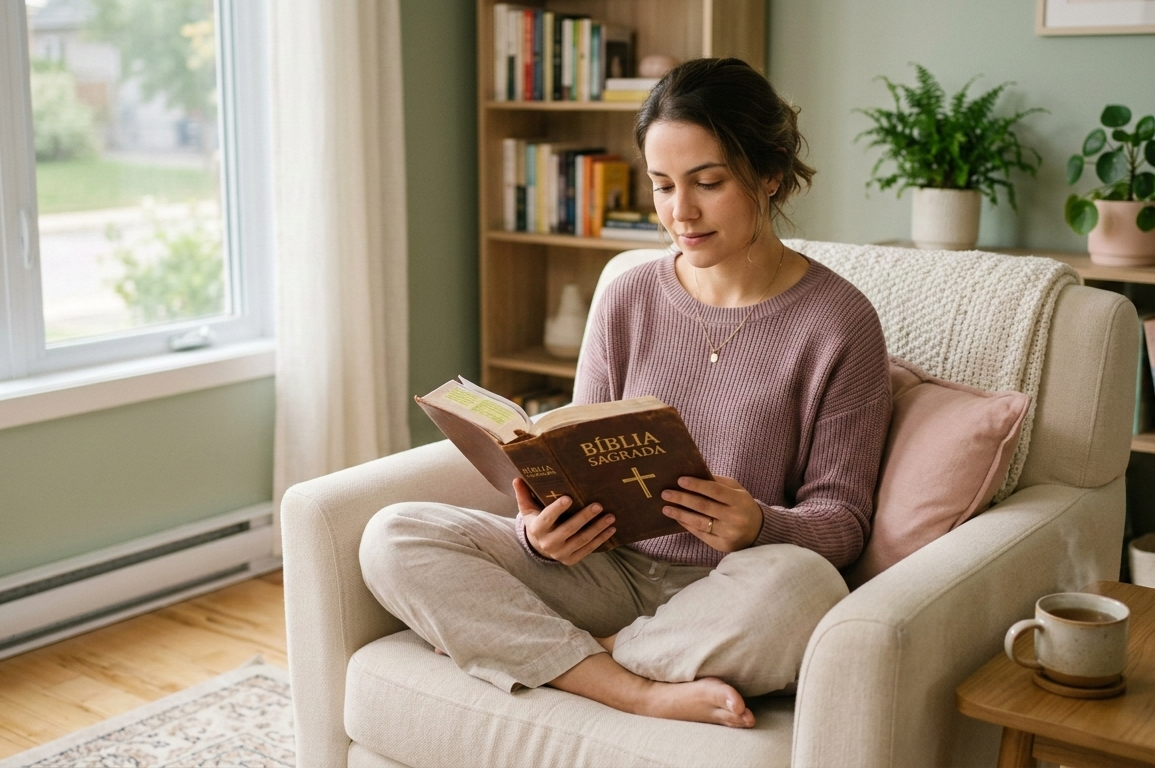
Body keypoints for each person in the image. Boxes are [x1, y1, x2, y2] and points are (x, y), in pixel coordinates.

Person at [360, 58, 890, 729]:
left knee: (805, 586)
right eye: (663, 185)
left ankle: (573, 659)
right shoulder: (629, 296)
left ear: (770, 174)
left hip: (731, 591)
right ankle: (634, 687)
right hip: (600, 573)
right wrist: (539, 532)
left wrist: (762, 523)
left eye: (708, 182)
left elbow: (843, 521)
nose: (680, 212)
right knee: (393, 535)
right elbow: (574, 452)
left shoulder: (839, 322)